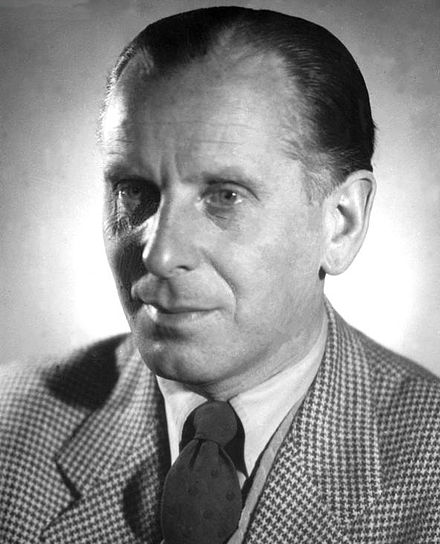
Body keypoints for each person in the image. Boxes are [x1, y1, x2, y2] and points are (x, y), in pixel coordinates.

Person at [1, 6, 439, 543]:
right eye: (134, 191)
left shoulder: (429, 470)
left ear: (341, 222)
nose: (159, 255)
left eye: (225, 196)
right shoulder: (11, 426)